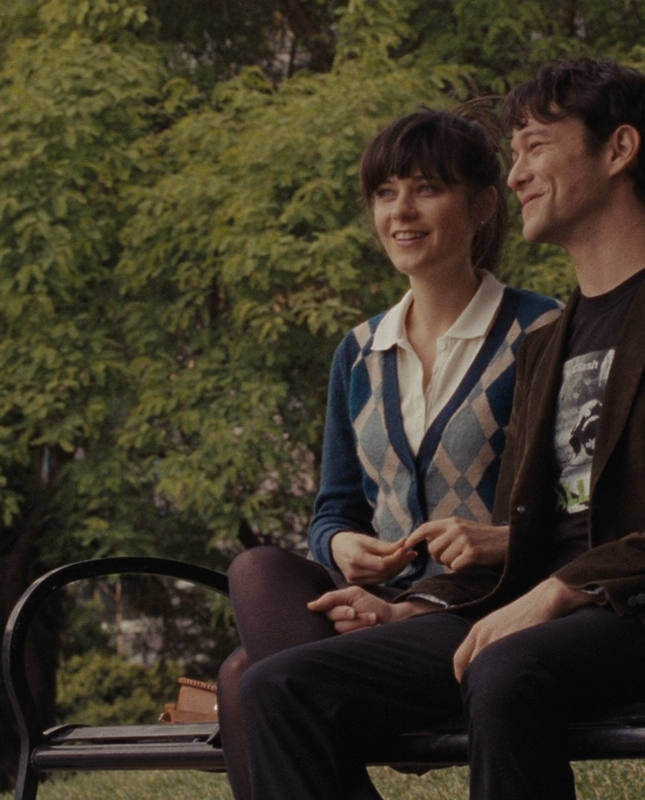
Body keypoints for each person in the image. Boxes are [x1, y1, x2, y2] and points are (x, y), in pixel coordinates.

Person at [237, 57, 645, 800]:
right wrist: (409, 608)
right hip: (530, 610)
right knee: (274, 685)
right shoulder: (548, 344)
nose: (515, 176)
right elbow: (527, 535)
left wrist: (561, 591)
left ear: (619, 149)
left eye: (536, 147)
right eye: (514, 153)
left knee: (504, 666)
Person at [215, 109, 562, 800]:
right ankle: (350, 700)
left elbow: (572, 502)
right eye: (384, 192)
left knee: (246, 678)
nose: (400, 210)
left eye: (427, 188)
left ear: (483, 204)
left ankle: (346, 704)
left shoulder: (541, 331)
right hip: (379, 610)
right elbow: (333, 509)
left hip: (483, 611)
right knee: (255, 572)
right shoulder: (359, 352)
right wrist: (343, 547)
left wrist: (490, 542)